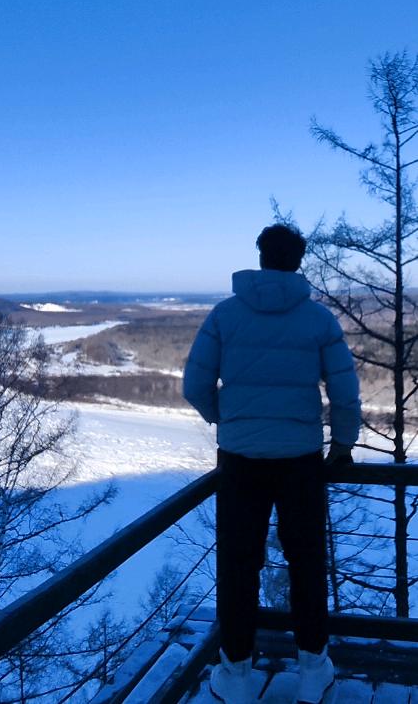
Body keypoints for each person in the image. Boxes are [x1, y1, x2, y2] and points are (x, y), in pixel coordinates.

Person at [183, 223, 360, 704]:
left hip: (240, 461)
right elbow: (344, 390)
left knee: (238, 563)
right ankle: (312, 671)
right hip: (300, 461)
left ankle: (236, 675)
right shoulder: (319, 320)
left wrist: (229, 420)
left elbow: (195, 386)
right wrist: (343, 442)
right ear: (299, 262)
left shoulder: (224, 315)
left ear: (260, 258)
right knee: (306, 563)